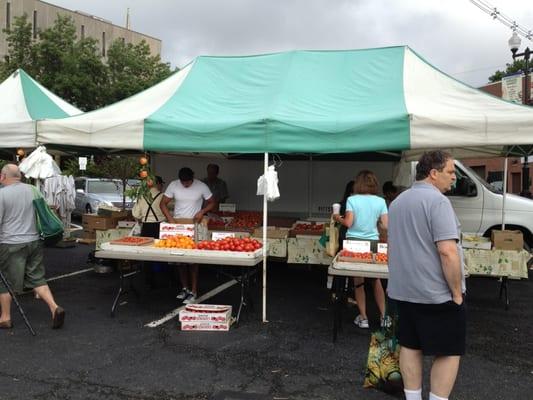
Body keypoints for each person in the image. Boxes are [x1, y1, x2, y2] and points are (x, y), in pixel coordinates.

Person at [388, 150, 465, 400]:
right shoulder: (438, 202)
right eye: (450, 172)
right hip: (436, 292)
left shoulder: (397, 202)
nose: (454, 178)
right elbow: (447, 252)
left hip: (403, 290)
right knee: (448, 350)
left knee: (410, 345)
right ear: (434, 173)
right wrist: (456, 293)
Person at [0, 164, 65, 330]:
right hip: (34, 241)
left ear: (3, 176)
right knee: (37, 278)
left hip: (10, 244)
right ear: (19, 176)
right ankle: (54, 307)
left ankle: (5, 317)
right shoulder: (32, 190)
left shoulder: (1, 194)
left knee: (5, 281)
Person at [333, 170, 388, 328]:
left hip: (354, 244)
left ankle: (364, 318)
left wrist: (337, 217)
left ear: (358, 184)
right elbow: (386, 225)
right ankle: (384, 317)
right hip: (373, 244)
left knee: (359, 283)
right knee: (376, 280)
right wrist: (374, 223)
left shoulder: (352, 199)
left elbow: (349, 223)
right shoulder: (380, 201)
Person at [160, 167, 216, 303]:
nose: (185, 185)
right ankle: (185, 288)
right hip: (178, 225)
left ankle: (194, 291)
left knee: (193, 261)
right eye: (183, 182)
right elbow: (163, 204)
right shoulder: (173, 185)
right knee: (179, 260)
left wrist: (202, 211)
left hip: (194, 225)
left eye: (188, 182)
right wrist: (171, 219)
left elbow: (213, 202)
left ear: (193, 178)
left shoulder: (201, 186)